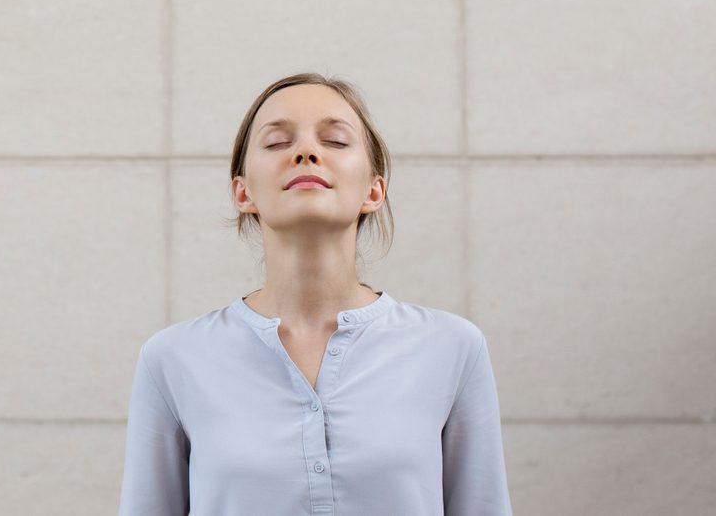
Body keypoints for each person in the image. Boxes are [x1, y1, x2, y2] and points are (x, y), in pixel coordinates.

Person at [117, 72, 513, 515]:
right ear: (242, 192)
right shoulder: (173, 359)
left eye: (337, 141)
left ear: (374, 190)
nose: (307, 152)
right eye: (277, 143)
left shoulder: (453, 348)